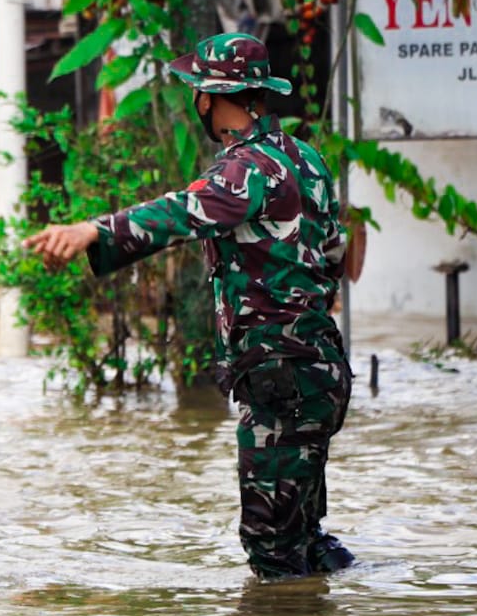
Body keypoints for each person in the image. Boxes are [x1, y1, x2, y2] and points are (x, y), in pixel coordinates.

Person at [24, 32, 355, 582]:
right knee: (305, 537)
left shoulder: (249, 168)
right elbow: (335, 253)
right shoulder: (306, 159)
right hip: (317, 369)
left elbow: (182, 212)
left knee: (271, 546)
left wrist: (93, 230)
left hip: (281, 375)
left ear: (206, 98)